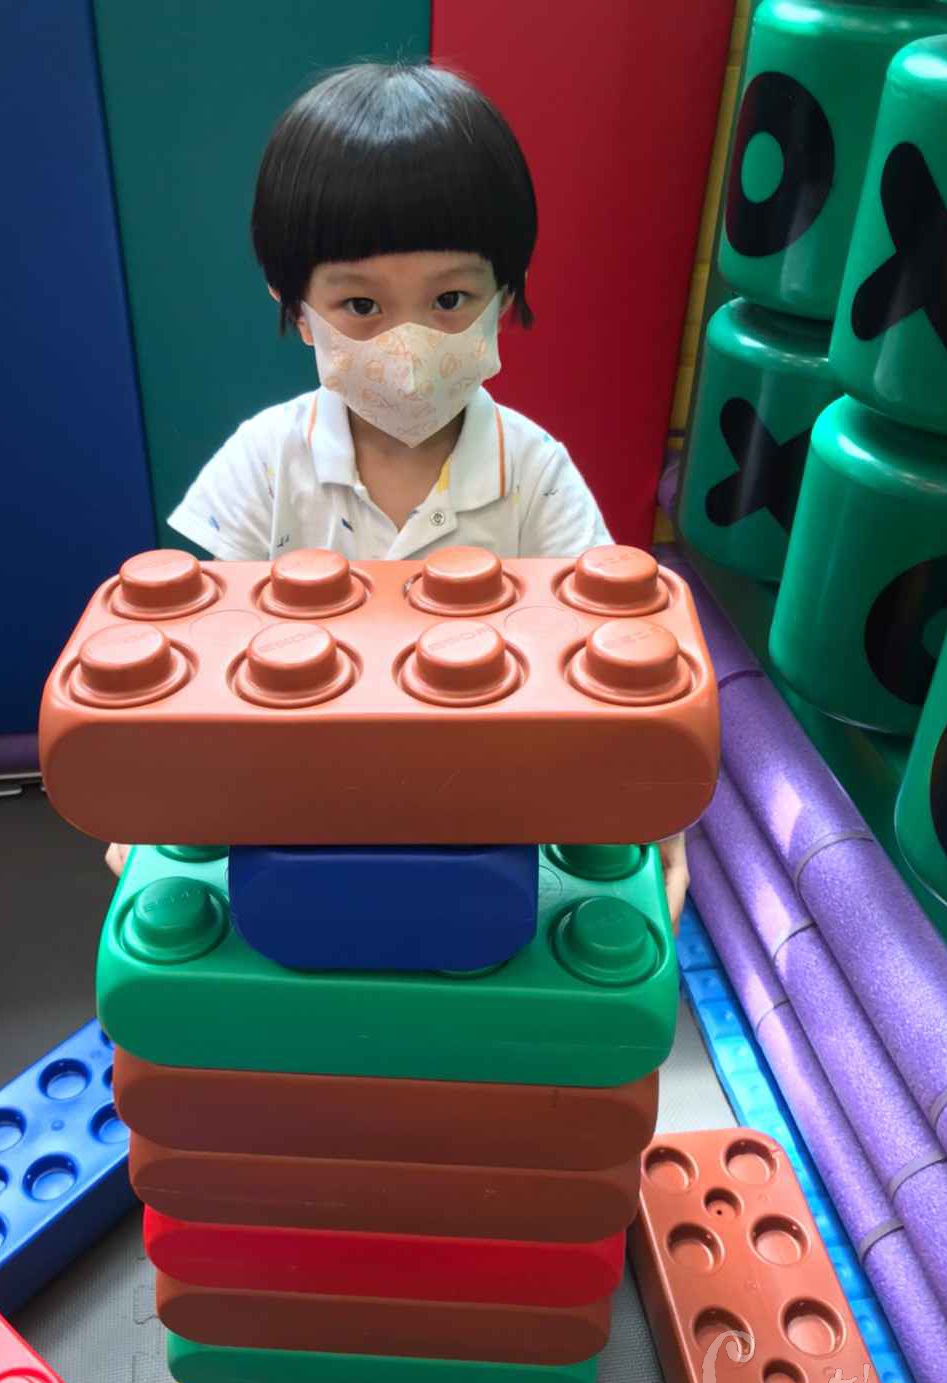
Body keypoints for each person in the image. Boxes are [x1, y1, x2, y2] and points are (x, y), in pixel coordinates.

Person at [107, 60, 689, 925]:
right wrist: (158, 802)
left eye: (450, 298)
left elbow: (606, 661)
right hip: (298, 813)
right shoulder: (265, 462)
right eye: (361, 307)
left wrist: (653, 813)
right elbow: (203, 662)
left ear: (505, 293)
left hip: (490, 818)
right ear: (292, 301)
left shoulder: (533, 472)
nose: (408, 345)